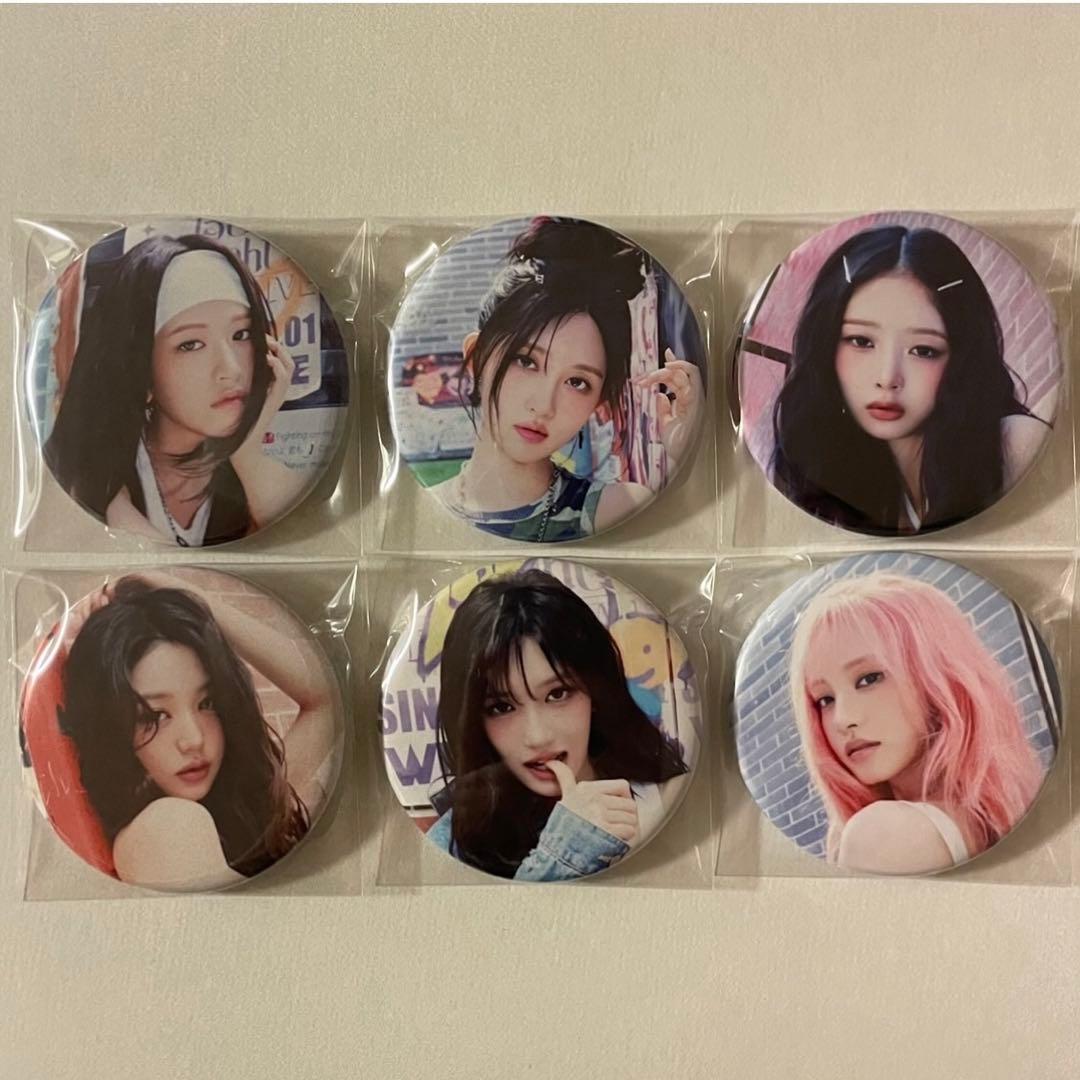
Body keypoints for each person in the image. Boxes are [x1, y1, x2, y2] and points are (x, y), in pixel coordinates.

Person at [56, 574, 337, 890]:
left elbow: (327, 696)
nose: (194, 739)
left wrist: (166, 586)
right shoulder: (166, 824)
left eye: (207, 703)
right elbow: (324, 694)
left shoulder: (242, 809)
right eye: (155, 716)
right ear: (112, 727)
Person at [432, 217, 702, 542]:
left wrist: (684, 448)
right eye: (526, 361)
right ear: (476, 358)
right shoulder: (428, 508)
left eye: (577, 382)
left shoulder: (612, 507)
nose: (544, 406)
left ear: (599, 402)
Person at [771, 225, 1048, 534]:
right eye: (861, 341)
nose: (888, 378)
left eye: (923, 350)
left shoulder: (1015, 442)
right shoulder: (845, 473)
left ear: (961, 358)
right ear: (825, 344)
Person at [427, 568, 690, 880]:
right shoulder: (451, 840)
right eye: (501, 707)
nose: (538, 736)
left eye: (557, 694)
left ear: (596, 691)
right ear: (472, 719)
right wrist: (572, 844)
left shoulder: (669, 799)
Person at [44, 233, 306, 546]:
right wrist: (113, 506)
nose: (231, 369)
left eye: (241, 334)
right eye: (191, 344)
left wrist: (248, 451)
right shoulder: (93, 472)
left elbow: (302, 533)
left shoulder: (252, 474)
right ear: (139, 368)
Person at [789, 572, 1044, 875]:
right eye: (824, 699)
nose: (843, 719)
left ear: (937, 678)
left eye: (869, 679)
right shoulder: (998, 816)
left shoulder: (883, 835)